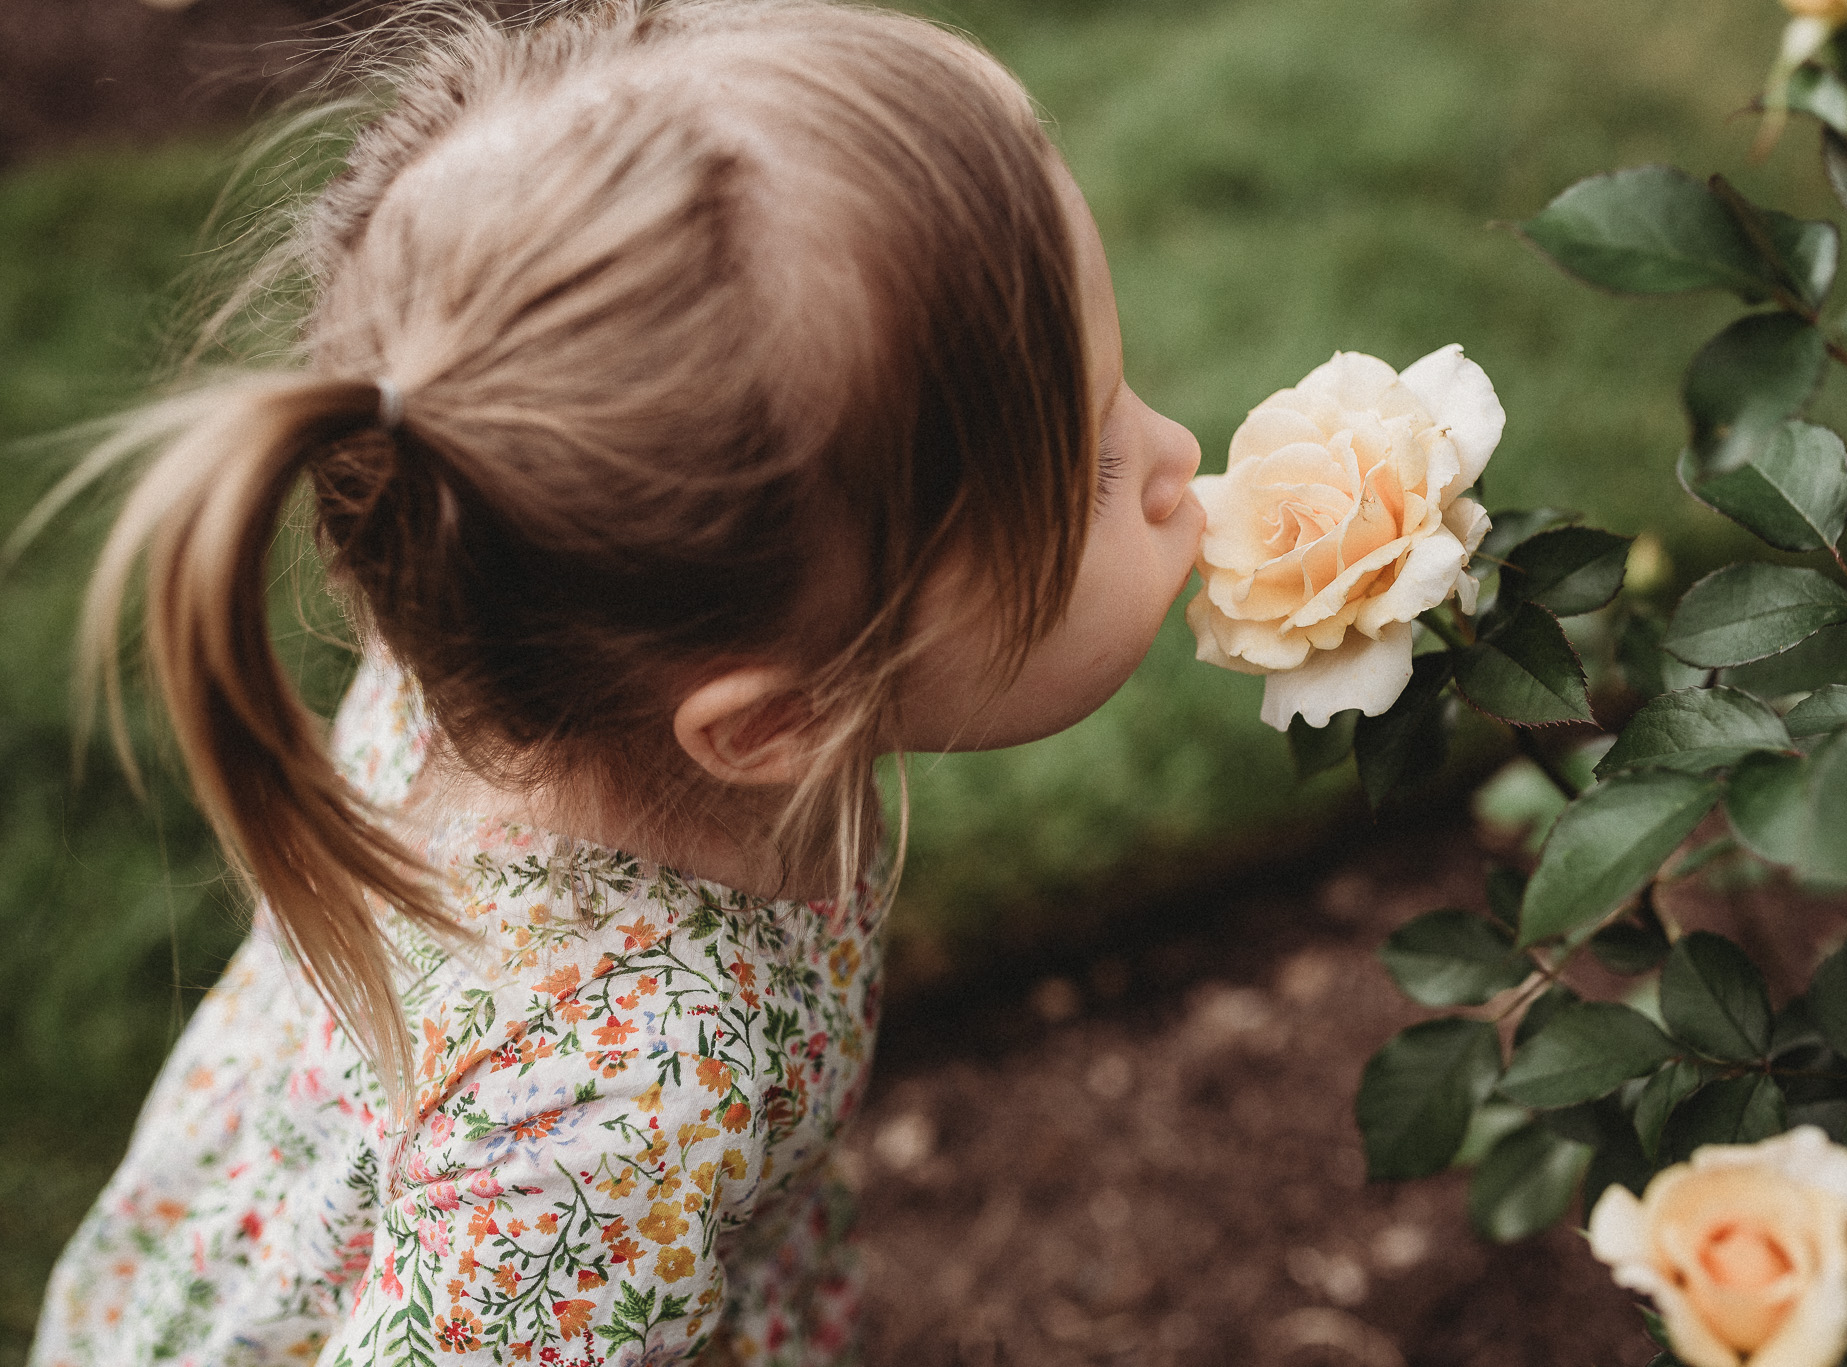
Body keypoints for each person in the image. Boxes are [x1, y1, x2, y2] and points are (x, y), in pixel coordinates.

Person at [28, 2, 1204, 1363]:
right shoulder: (609, 1118)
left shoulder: (529, 614)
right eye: (1093, 472)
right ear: (777, 717)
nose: (1176, 455)